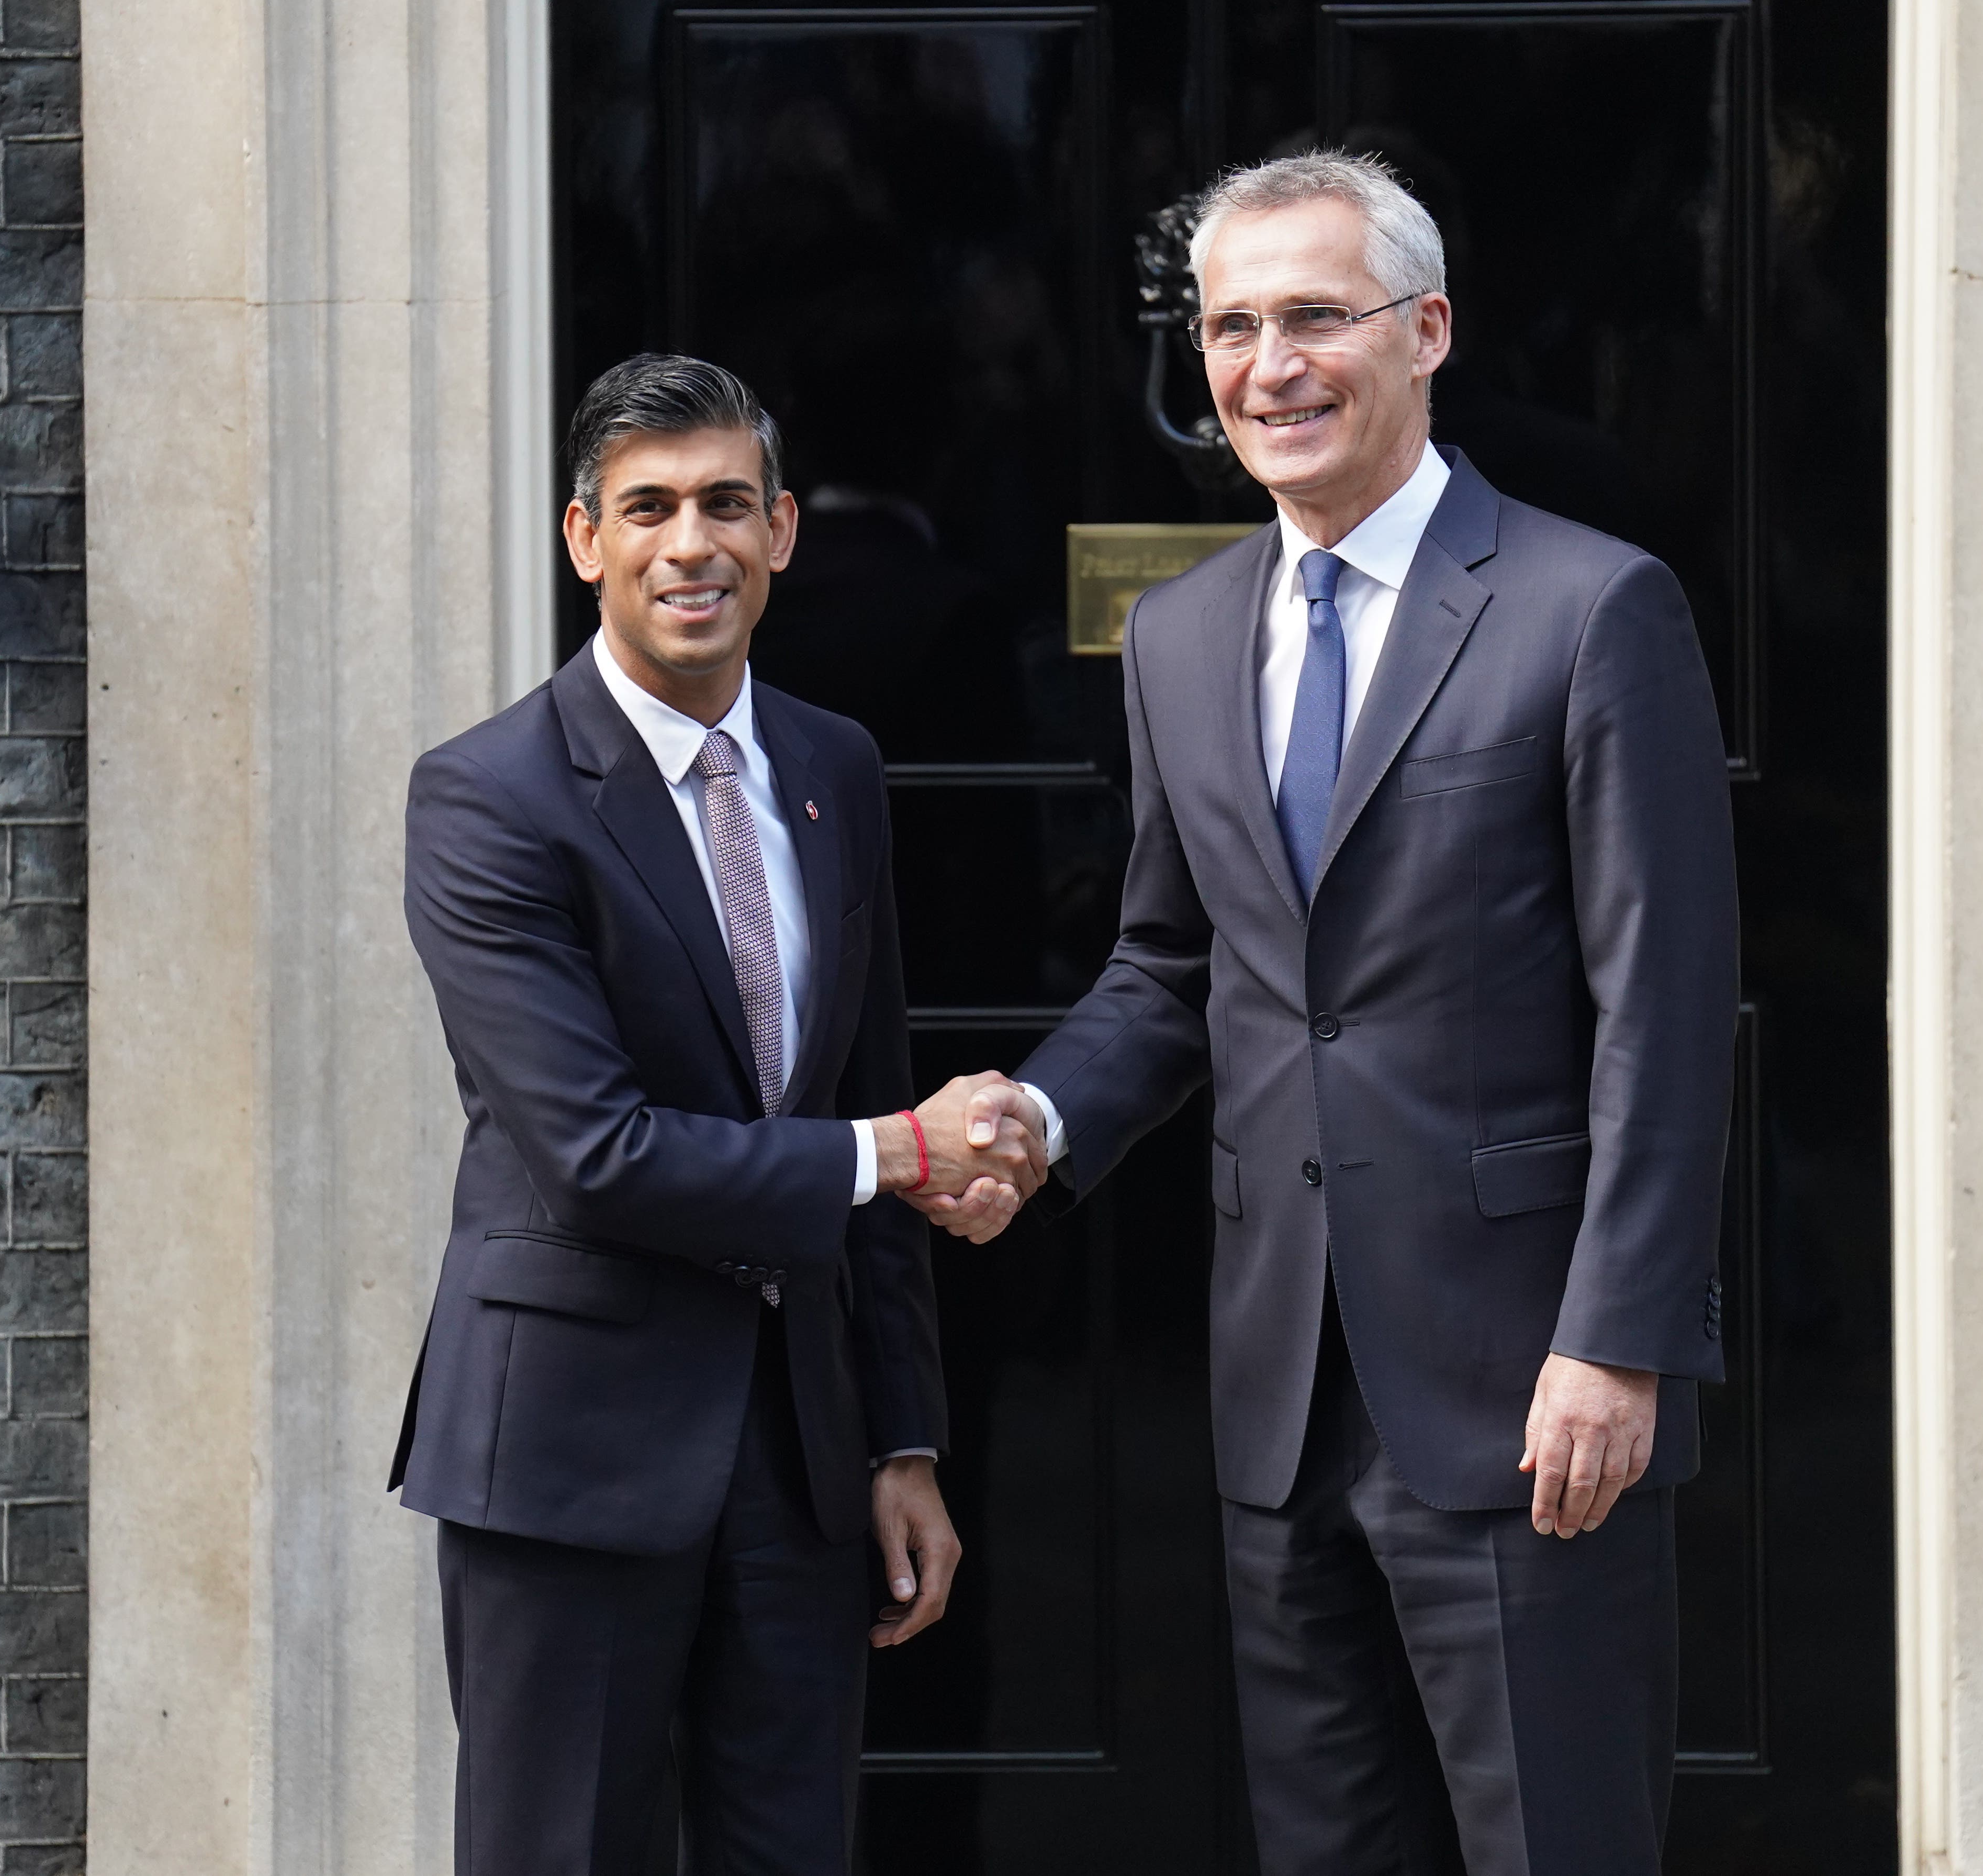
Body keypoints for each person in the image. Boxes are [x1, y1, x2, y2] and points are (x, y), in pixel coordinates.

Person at [919, 152, 1741, 1874]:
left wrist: (1618, 1339)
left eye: (1314, 317)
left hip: (1532, 1394)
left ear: (1425, 332)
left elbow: (1660, 1014)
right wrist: (1046, 1121)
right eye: (1231, 328)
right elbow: (1173, 966)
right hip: (1280, 1401)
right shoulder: (1181, 635)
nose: (1267, 367)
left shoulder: (1591, 610)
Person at [389, 353, 1043, 1874]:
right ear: (584, 540)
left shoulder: (835, 766)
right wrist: (899, 1155)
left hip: (803, 1466)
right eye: (651, 509)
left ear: (786, 531)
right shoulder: (487, 798)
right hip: (571, 1454)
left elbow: (861, 1085)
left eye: (727, 505)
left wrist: (903, 1443)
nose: (693, 544)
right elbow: (598, 1151)